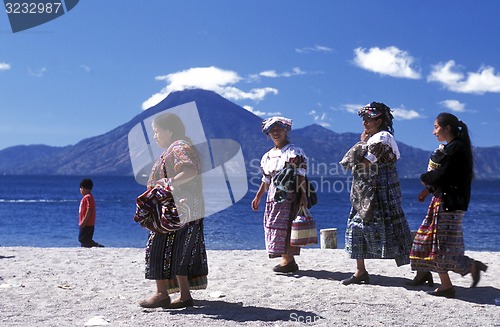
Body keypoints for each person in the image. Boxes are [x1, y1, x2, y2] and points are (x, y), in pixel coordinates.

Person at [408, 113, 487, 298]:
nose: (433, 131)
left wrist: (424, 179)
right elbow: (446, 176)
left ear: (447, 128)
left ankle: (447, 284)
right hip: (444, 202)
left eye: (436, 127)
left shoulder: (455, 149)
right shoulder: (452, 148)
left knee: (438, 246)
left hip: (449, 204)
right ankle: (464, 269)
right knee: (428, 242)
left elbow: (443, 174)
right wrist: (428, 189)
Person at [139, 112, 208, 309]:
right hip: (187, 206)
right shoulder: (181, 146)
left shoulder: (178, 147)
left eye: (156, 131)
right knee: (180, 249)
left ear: (169, 131)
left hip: (179, 207)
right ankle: (184, 295)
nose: (155, 136)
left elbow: (190, 170)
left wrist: (168, 183)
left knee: (158, 246)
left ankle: (162, 294)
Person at [339, 102, 412, 285]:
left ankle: (422, 270)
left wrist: (362, 143)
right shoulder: (374, 138)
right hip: (367, 192)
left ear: (379, 120)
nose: (365, 122)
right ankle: (360, 271)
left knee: (397, 231)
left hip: (383, 192)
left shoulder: (382, 138)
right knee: (356, 228)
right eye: (364, 119)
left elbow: (365, 163)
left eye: (369, 119)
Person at [251, 116, 309, 273]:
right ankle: (287, 259)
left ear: (285, 131)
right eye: (272, 131)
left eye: (278, 130)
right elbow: (266, 179)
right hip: (273, 195)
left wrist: (303, 196)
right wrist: (258, 196)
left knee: (287, 226)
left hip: (289, 194)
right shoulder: (268, 156)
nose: (275, 133)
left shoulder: (294, 152)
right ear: (268, 134)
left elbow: (300, 174)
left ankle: (288, 260)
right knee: (274, 225)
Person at [78, 178, 104, 248]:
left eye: (80, 188)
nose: (80, 190)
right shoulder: (89, 197)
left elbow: (89, 209)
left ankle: (96, 245)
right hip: (88, 223)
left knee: (82, 238)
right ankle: (86, 248)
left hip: (87, 223)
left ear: (83, 188)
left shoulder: (87, 197)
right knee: (84, 240)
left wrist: (84, 221)